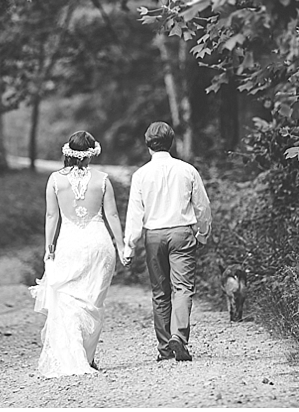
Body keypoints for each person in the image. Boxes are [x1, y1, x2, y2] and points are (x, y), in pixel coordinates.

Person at [29, 131, 126, 377]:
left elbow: (52, 216)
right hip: (99, 244)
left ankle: (73, 356)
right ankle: (88, 357)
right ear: (92, 153)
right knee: (94, 302)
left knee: (69, 301)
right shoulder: (103, 180)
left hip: (69, 244)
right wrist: (121, 244)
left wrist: (48, 246)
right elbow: (112, 215)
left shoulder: (54, 180)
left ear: (68, 152)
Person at [122, 121, 212, 362]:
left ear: (148, 145)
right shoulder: (187, 170)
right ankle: (179, 337)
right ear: (171, 143)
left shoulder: (140, 175)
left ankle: (164, 349)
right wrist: (202, 233)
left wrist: (129, 244)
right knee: (182, 289)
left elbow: (134, 212)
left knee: (160, 292)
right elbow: (202, 206)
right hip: (182, 233)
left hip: (153, 236)